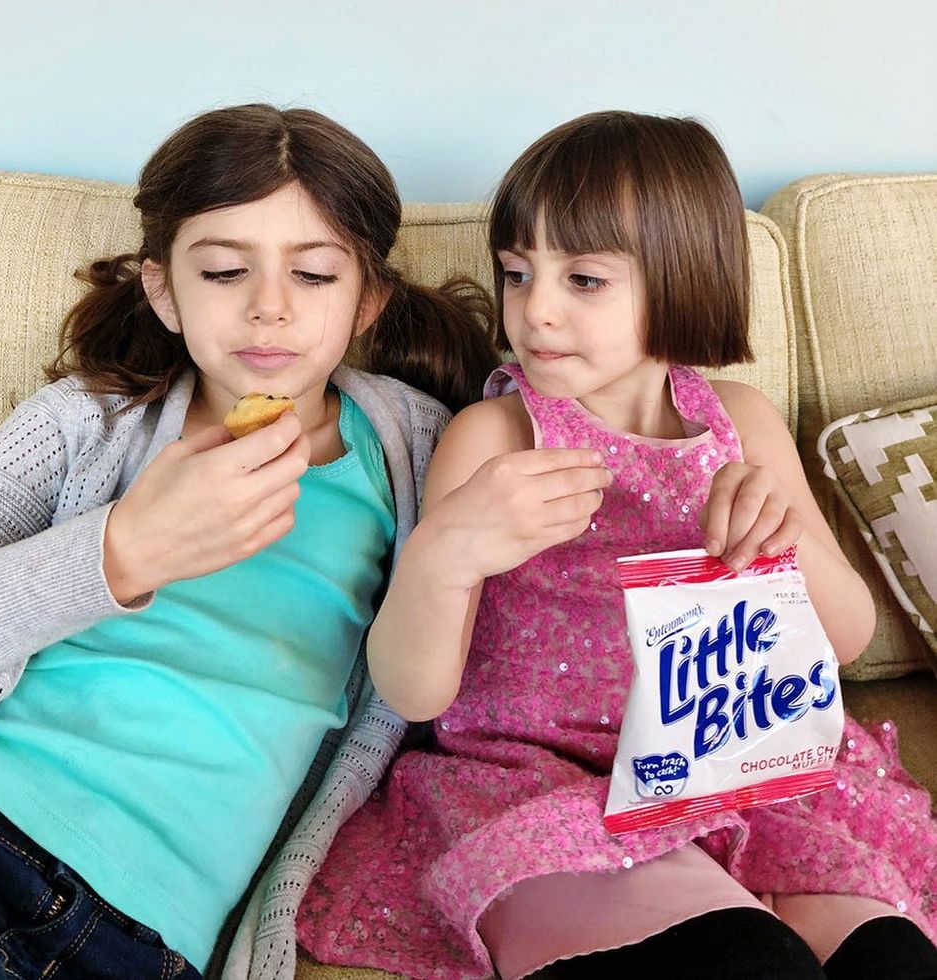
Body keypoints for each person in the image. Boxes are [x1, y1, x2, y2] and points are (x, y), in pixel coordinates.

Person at [296, 111, 937, 980]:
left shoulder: (741, 422)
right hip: (546, 785)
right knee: (752, 962)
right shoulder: (496, 437)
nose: (535, 309)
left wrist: (782, 535)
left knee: (893, 961)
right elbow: (416, 692)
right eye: (517, 273)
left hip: (745, 771)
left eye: (584, 279)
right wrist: (443, 555)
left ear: (682, 281)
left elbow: (848, 637)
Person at [0, 103, 499, 980]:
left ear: (368, 300)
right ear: (164, 290)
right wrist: (120, 552)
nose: (268, 308)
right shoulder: (83, 425)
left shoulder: (425, 451)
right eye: (223, 271)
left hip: (145, 937)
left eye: (314, 274)